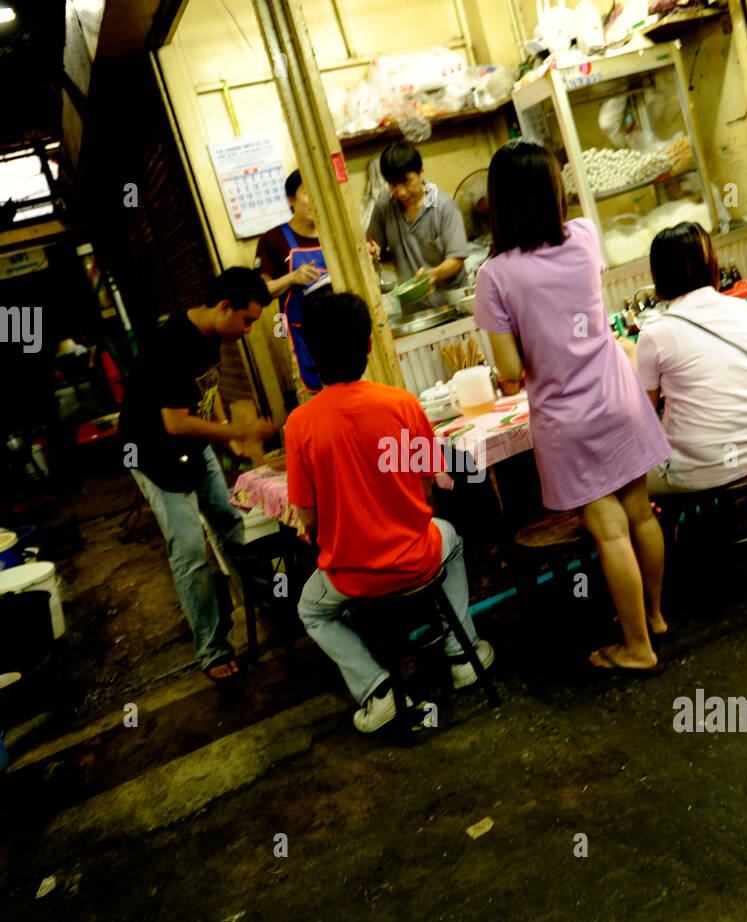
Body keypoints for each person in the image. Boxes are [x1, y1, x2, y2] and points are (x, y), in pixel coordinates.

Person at [474, 139, 670, 675]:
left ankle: (636, 649)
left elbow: (511, 371)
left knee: (609, 532)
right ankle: (652, 618)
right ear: (553, 191)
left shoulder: (494, 276)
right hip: (619, 395)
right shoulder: (583, 235)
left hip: (570, 417)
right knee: (639, 516)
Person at [286, 291, 493, 733]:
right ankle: (462, 654)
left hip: (351, 575)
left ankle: (379, 691)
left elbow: (306, 518)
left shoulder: (299, 424)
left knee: (311, 609)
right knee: (451, 538)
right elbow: (426, 483)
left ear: (311, 352)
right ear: (367, 347)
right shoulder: (399, 404)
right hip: (417, 558)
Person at [119, 268, 275, 682]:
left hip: (194, 445)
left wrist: (225, 436)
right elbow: (175, 423)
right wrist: (236, 430)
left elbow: (209, 388)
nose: (247, 330)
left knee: (228, 521)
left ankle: (268, 601)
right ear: (224, 307)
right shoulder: (173, 344)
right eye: (246, 320)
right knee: (190, 551)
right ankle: (212, 648)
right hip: (153, 452)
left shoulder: (215, 333)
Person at [632, 224, 747, 494]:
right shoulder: (743, 310)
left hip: (700, 471)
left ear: (657, 274)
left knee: (613, 486)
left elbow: (644, 416)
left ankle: (679, 534)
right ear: (711, 264)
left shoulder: (655, 332)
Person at [366, 140, 470, 308]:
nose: (401, 192)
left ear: (421, 172)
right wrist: (371, 249)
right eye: (393, 185)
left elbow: (456, 260)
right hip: (413, 311)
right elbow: (371, 242)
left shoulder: (444, 206)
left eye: (406, 182)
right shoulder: (384, 207)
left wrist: (433, 274)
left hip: (452, 304)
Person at [254, 170, 330, 392]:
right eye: (307, 192)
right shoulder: (273, 239)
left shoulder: (332, 231)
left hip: (340, 331)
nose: (315, 198)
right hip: (301, 336)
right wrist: (292, 277)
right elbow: (262, 291)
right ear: (291, 200)